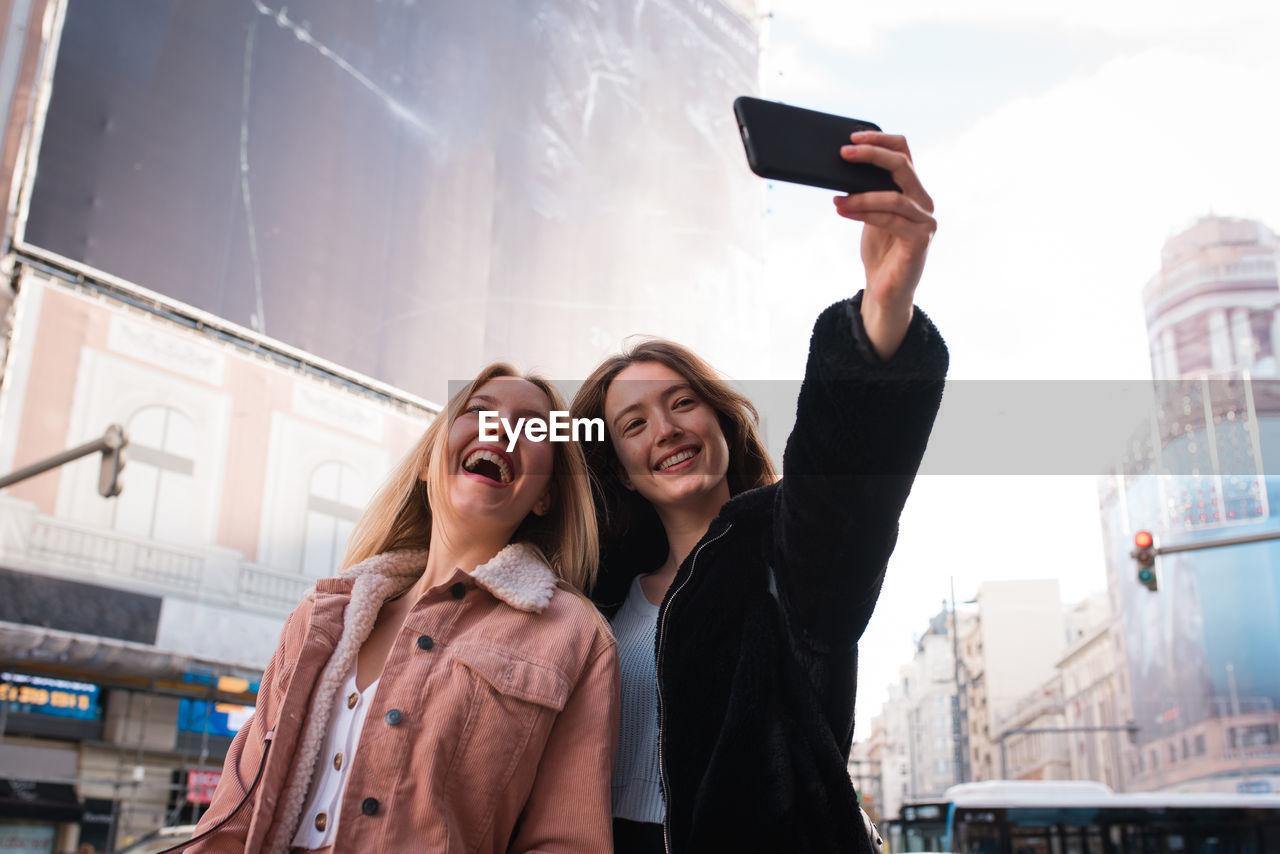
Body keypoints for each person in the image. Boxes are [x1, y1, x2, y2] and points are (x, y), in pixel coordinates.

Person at [570, 130, 948, 854]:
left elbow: (845, 484)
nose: (667, 431)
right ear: (618, 466)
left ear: (718, 419)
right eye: (635, 423)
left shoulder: (790, 553)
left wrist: (884, 304)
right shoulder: (594, 595)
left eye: (683, 403)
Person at [186, 365, 619, 854]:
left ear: (545, 496)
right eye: (478, 411)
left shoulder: (575, 636)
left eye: (533, 428)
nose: (501, 429)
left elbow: (567, 843)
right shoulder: (319, 616)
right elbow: (228, 824)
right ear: (426, 463)